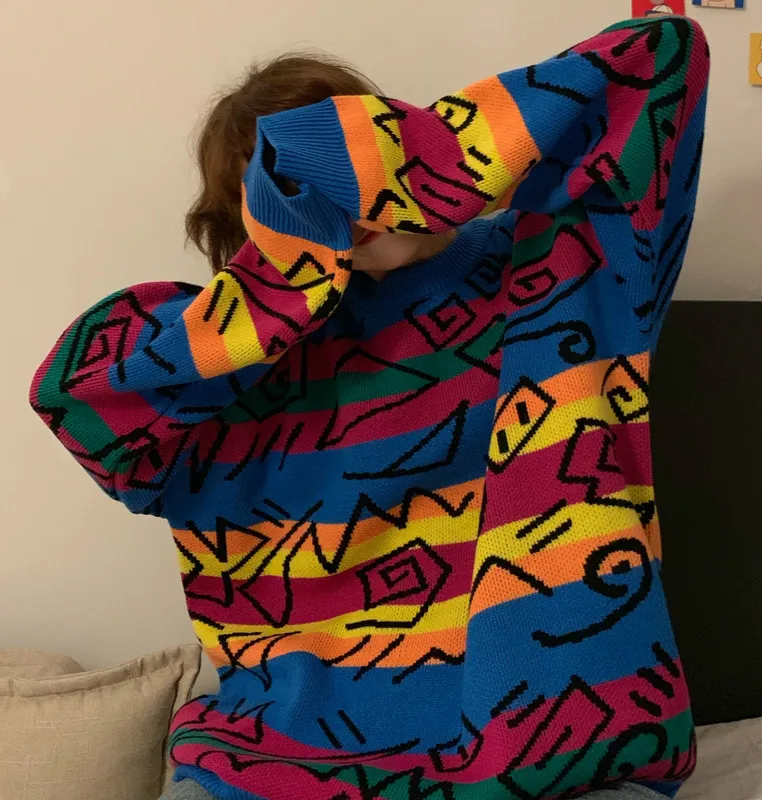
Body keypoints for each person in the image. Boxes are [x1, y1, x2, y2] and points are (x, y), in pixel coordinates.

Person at [30, 15, 709, 800]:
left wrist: (434, 174)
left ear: (398, 143)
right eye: (286, 195)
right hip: (282, 757)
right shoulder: (240, 367)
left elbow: (662, 57)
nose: (331, 203)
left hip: (554, 746)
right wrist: (275, 297)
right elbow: (77, 402)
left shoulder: (556, 268)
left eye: (342, 161)